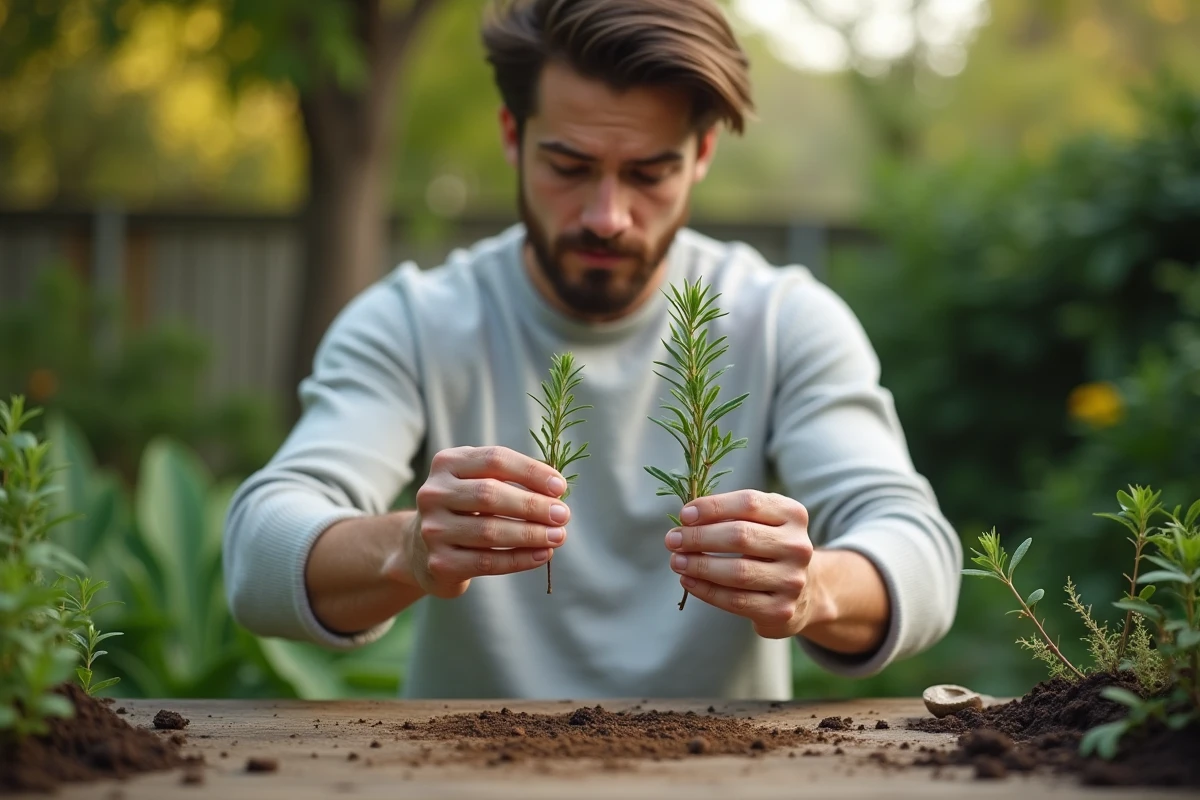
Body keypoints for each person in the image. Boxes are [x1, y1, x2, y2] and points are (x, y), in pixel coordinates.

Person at [222, 0, 961, 700]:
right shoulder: (414, 322)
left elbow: (920, 552)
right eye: (569, 166)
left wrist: (813, 586)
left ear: (701, 153)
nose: (607, 217)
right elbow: (258, 554)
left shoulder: (784, 321)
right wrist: (409, 548)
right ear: (512, 135)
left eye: (649, 173)